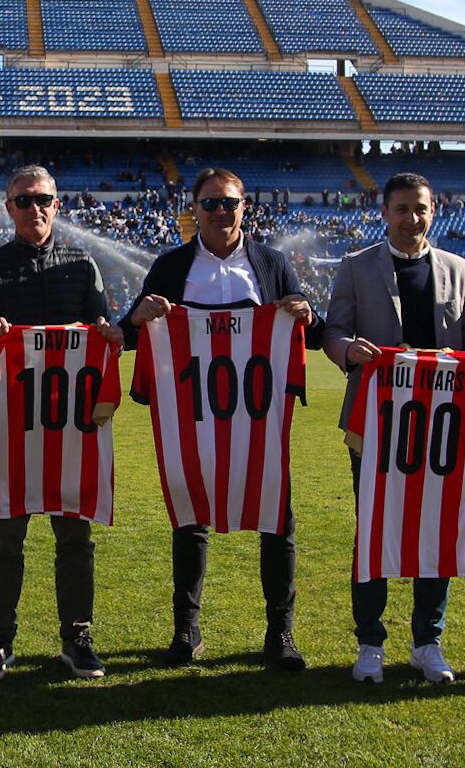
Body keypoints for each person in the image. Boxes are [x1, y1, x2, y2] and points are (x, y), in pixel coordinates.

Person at [120, 167, 323, 672]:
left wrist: (307, 314)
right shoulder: (171, 265)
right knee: (190, 517)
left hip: (257, 415)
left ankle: (281, 632)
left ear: (244, 206)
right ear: (195, 210)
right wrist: (138, 316)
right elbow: (129, 334)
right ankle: (186, 629)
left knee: (278, 518)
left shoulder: (271, 263)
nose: (220, 212)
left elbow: (311, 336)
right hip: (191, 415)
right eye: (209, 204)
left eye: (228, 203)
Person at [324, 171, 465, 685]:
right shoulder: (357, 266)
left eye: (420, 209)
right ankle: (370, 642)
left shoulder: (460, 269)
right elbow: (335, 330)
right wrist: (346, 351)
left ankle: (428, 641)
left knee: (437, 523)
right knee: (376, 526)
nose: (412, 218)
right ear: (385, 212)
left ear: (434, 210)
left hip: (445, 422)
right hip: (377, 422)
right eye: (401, 209)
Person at [0, 165, 124, 681]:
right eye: (24, 200)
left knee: (74, 536)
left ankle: (77, 637)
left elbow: (106, 333)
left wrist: (107, 330)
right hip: (14, 428)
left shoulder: (83, 264)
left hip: (72, 428)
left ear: (58, 204)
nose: (35, 208)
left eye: (43, 199)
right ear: (9, 208)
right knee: (6, 536)